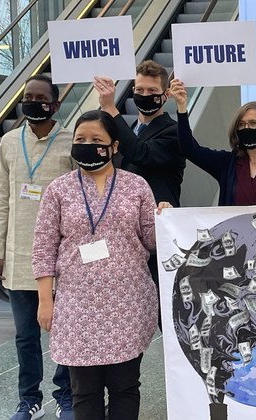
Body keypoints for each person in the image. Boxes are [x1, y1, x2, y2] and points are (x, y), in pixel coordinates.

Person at [33, 110, 170, 420]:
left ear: (114, 146)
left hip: (128, 303)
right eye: (80, 139)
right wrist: (45, 300)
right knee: (84, 390)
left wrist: (165, 217)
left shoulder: (136, 187)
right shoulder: (59, 190)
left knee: (125, 387)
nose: (87, 145)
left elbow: (152, 241)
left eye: (96, 140)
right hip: (77, 306)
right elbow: (43, 246)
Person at [0, 74, 74, 420]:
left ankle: (65, 395)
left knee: (64, 334)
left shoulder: (70, 141)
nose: (33, 103)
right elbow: (0, 199)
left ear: (55, 104)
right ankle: (29, 399)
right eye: (28, 97)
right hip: (19, 257)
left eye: (41, 98)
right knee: (26, 337)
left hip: (62, 258)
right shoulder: (9, 142)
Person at [93, 60, 185, 329]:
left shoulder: (173, 131)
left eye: (152, 91)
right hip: (123, 233)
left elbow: (141, 154)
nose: (145, 96)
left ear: (165, 94)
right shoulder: (127, 129)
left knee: (165, 313)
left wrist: (110, 108)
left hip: (158, 231)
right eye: (140, 90)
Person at [168, 79, 256, 206]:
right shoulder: (227, 164)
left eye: (253, 123)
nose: (246, 128)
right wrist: (181, 107)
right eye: (241, 124)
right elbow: (189, 149)